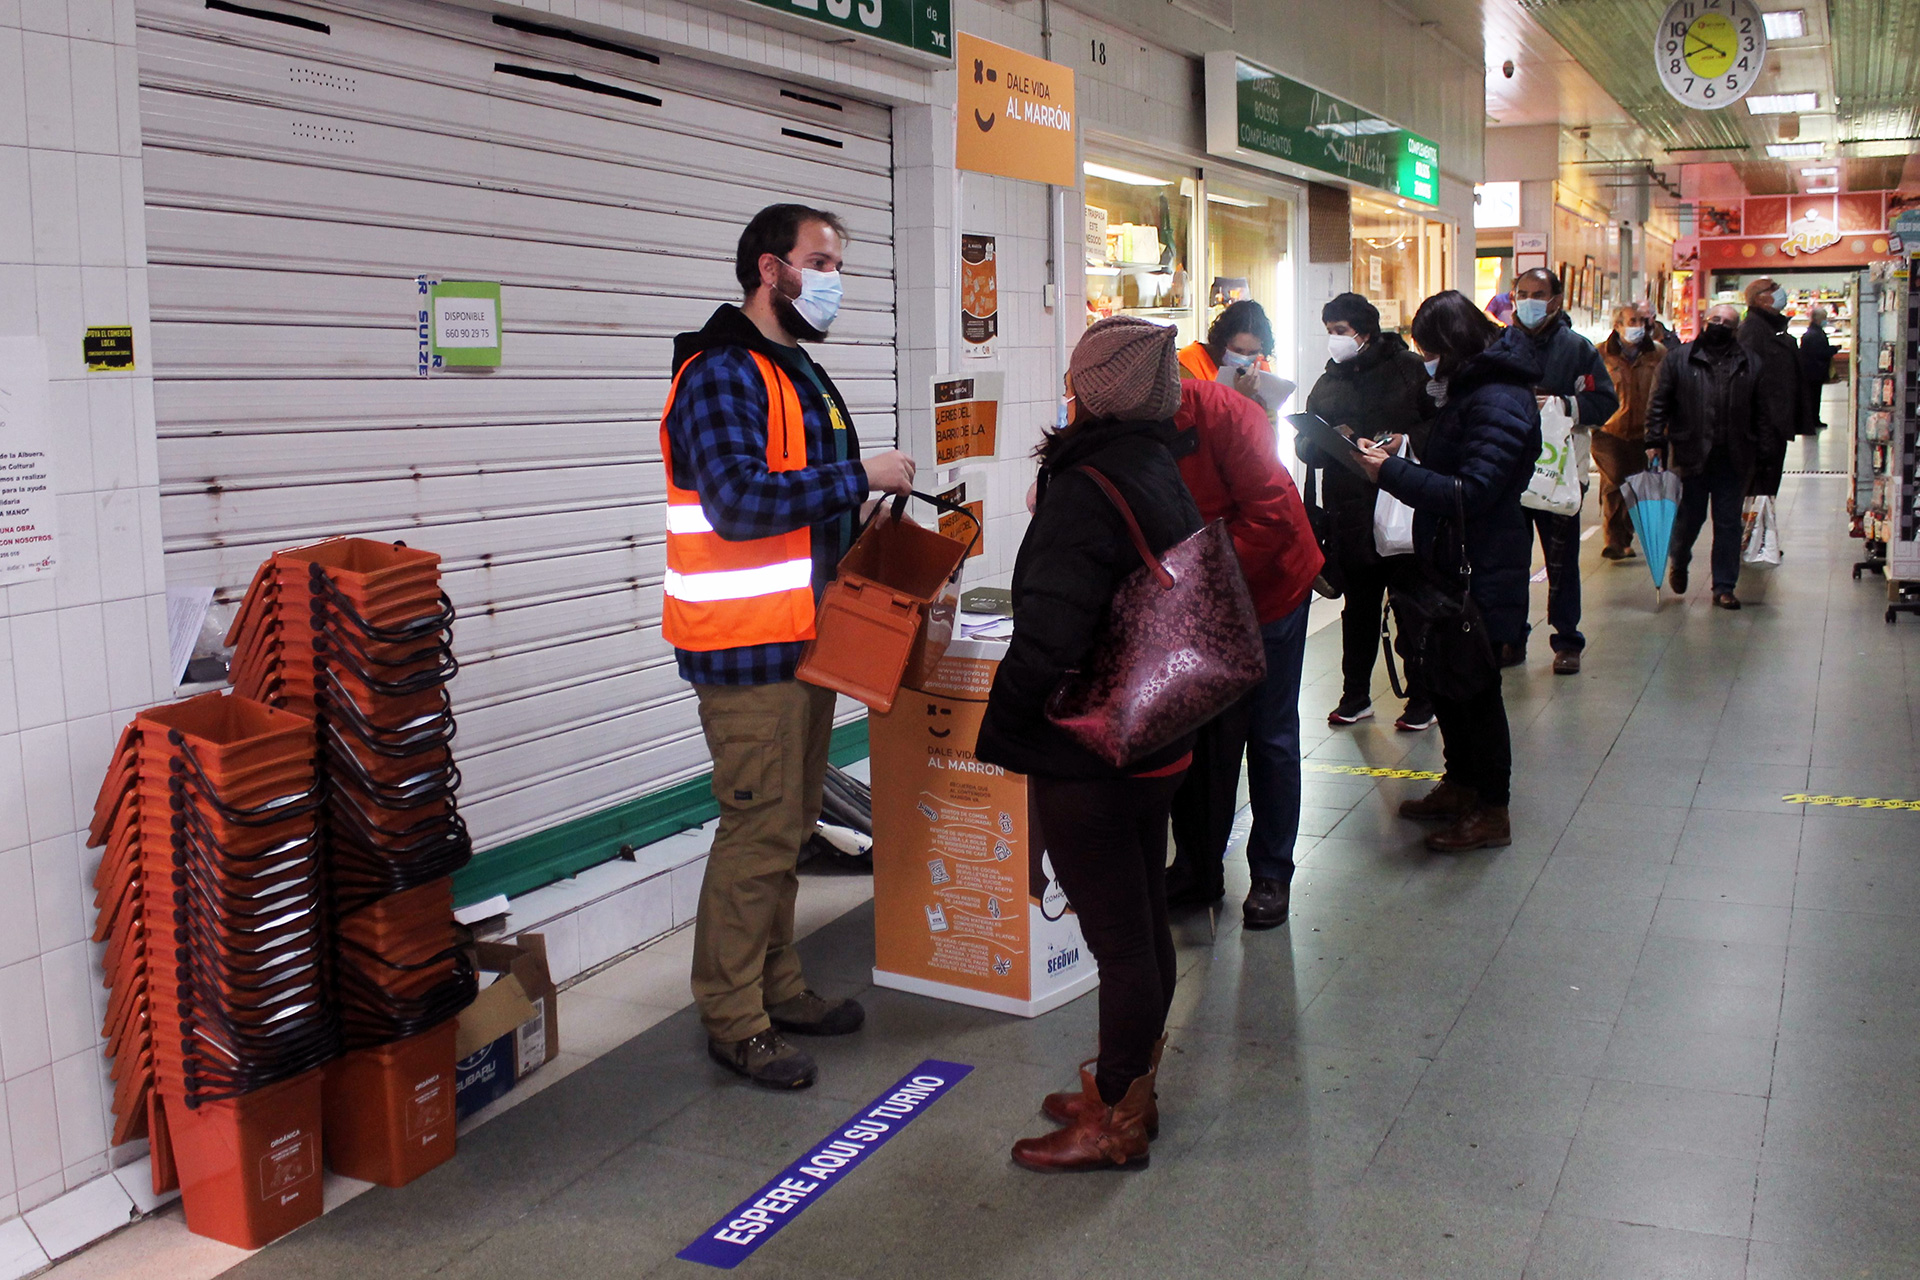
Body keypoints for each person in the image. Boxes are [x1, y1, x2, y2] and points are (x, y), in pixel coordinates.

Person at [661, 203, 916, 1090]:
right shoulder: (721, 373)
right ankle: (733, 1019)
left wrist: (870, 522)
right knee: (757, 833)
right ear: (770, 271)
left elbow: (805, 504)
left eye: (838, 261)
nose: (833, 277)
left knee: (791, 828)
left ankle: (778, 987)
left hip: (808, 642)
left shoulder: (796, 370)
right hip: (746, 652)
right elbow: (737, 502)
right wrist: (860, 475)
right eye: (820, 260)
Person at [976, 316, 1200, 1173]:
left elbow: (1049, 635)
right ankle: (1129, 1088)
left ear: (1087, 389)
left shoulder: (1089, 483)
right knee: (1142, 919)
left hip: (1094, 747)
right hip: (1155, 736)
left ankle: (1114, 1119)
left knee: (1119, 938)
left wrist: (1003, 734)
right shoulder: (1154, 464)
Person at [1355, 292, 1541, 852]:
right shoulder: (1465, 392)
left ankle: (1492, 809)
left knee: (1478, 691)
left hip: (1481, 564)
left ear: (1452, 346)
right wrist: (1401, 450)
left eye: (1428, 349)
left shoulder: (1499, 399)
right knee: (1451, 684)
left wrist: (1390, 475)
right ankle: (1460, 785)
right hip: (1450, 559)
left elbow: (1473, 492)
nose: (1424, 360)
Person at [1164, 377, 1324, 927]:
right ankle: (1197, 869)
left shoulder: (1230, 416)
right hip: (1196, 596)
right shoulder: (1111, 416)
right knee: (1202, 736)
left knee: (1269, 731)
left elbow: (1272, 518)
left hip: (1269, 590)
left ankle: (1271, 874)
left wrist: (1195, 580)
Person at [1299, 292, 1435, 730]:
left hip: (1402, 505)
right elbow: (1306, 439)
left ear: (1366, 331)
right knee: (1358, 607)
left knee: (1411, 604)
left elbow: (1435, 424)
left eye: (1341, 331)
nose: (1334, 341)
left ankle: (1422, 697)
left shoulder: (1408, 370)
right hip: (1350, 510)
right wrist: (1324, 441)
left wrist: (1402, 442)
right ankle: (1355, 695)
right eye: (1329, 332)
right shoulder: (1329, 381)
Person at [1508, 267, 1618, 675]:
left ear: (1556, 300)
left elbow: (1605, 402)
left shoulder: (1578, 349)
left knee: (1561, 562)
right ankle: (1510, 637)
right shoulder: (1500, 345)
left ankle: (1567, 640)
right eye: (1523, 293)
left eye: (1539, 293)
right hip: (1509, 474)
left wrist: (1563, 405)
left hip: (1561, 476)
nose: (1530, 301)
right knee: (1510, 561)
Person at [1644, 303, 1762, 609]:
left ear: (1736, 329)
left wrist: (1762, 448)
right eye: (1715, 320)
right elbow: (1659, 402)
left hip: (1733, 455)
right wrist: (1654, 440)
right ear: (1704, 322)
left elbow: (1762, 410)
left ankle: (1724, 586)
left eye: (1727, 322)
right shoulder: (1678, 360)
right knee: (1688, 519)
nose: (1719, 325)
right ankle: (1679, 559)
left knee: (1728, 523)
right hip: (1689, 453)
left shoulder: (1750, 363)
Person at [1596, 305, 1667, 561]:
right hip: (1608, 431)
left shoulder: (1657, 354)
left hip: (1644, 432)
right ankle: (1613, 541)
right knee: (1615, 480)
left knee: (1636, 485)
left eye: (1641, 320)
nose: (1637, 325)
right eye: (1631, 320)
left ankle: (1624, 537)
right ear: (1617, 325)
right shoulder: (1600, 354)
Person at [1737, 277, 1809, 497]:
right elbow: (1749, 385)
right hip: (1763, 430)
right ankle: (1753, 530)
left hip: (1775, 426)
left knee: (1767, 492)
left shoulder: (1773, 330)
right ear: (1760, 300)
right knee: (1759, 492)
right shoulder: (1752, 332)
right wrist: (1763, 432)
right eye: (1773, 288)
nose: (1780, 291)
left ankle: (1760, 530)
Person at [1178, 299, 1273, 405]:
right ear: (1222, 341)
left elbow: (1271, 417)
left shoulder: (1259, 364)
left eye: (1252, 353)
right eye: (1238, 350)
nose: (1244, 359)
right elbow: (1189, 415)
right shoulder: (1191, 360)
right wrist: (1239, 398)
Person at [1799, 304, 1835, 431]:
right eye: (1824, 317)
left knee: (1812, 397)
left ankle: (1814, 419)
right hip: (1814, 371)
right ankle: (1812, 420)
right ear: (1819, 319)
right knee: (1813, 397)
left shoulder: (1812, 332)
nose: (1826, 320)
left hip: (1811, 371)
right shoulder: (1815, 334)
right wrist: (1833, 349)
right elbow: (1820, 352)